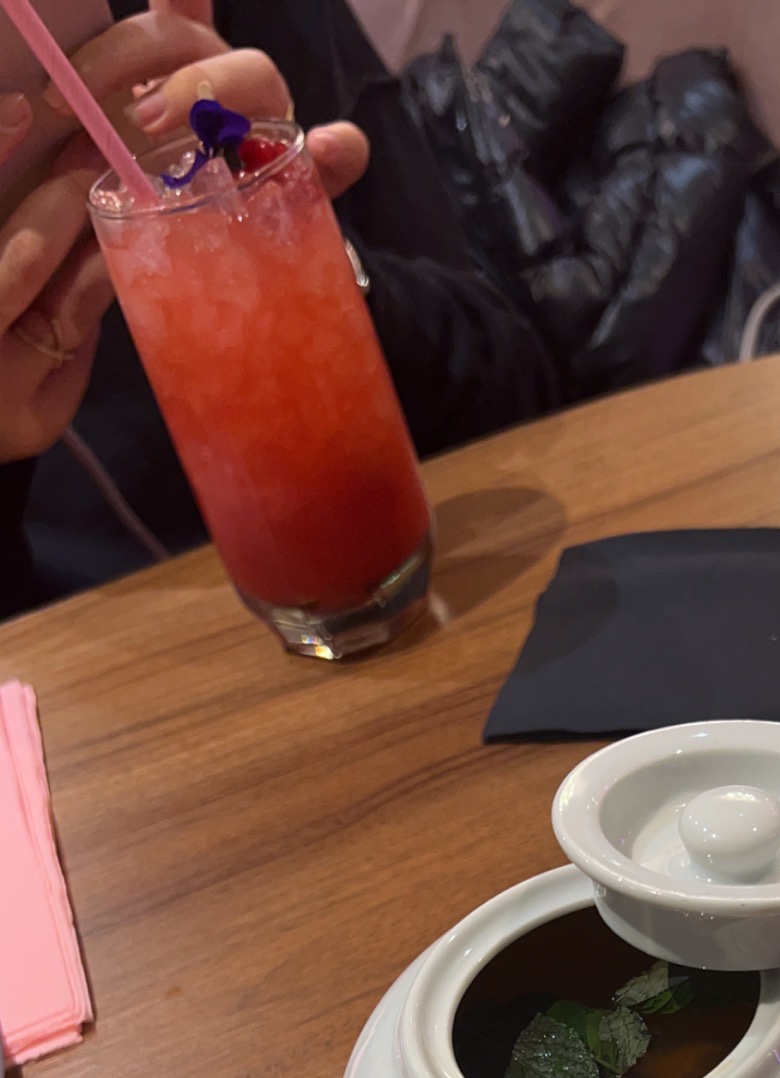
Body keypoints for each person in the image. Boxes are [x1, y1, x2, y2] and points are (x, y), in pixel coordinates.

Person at [0, 0, 561, 616]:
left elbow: (515, 388)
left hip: (448, 589)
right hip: (115, 657)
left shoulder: (229, 27)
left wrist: (307, 270)